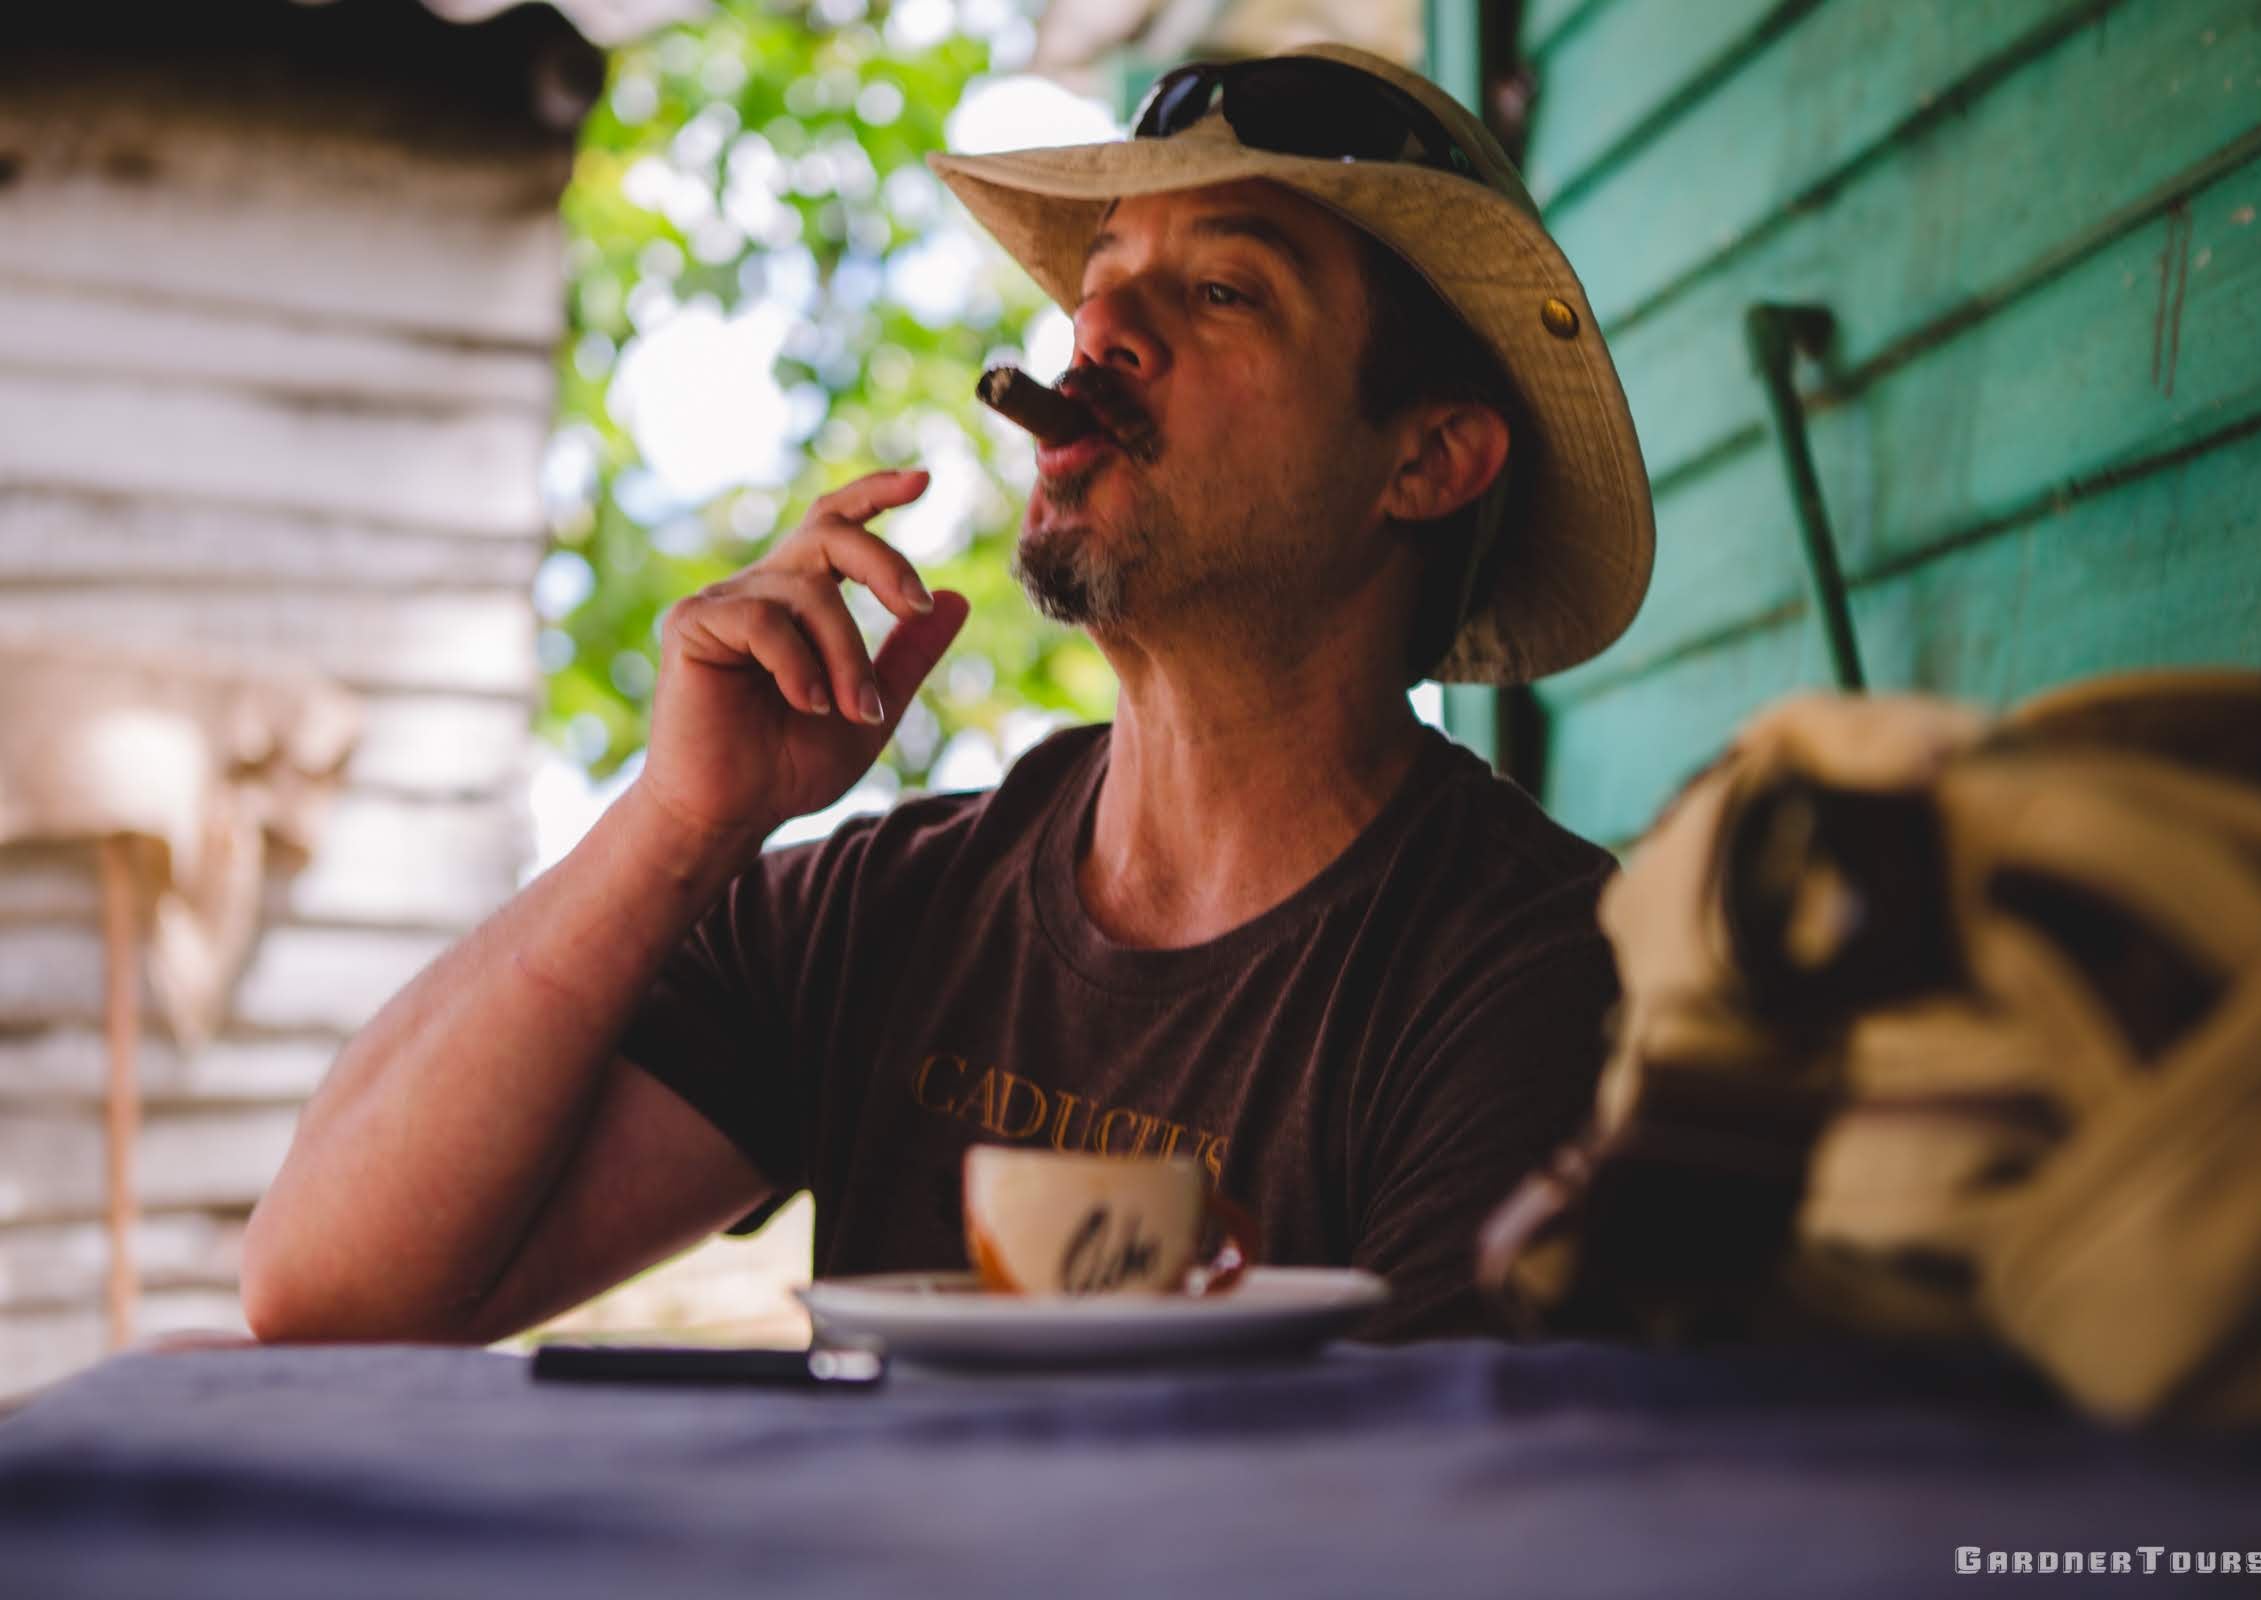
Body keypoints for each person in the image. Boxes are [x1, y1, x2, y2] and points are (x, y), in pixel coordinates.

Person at [240, 43, 1655, 1344]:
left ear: (1426, 461)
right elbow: (329, 1295)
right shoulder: (893, 914)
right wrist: (681, 820)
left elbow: (1414, 1514)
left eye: (1224, 290)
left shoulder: (1531, 980)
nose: (1095, 330)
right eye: (1101, 277)